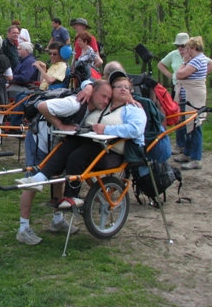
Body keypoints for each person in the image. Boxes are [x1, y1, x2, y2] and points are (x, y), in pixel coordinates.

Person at [15, 73, 146, 245]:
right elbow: (92, 81)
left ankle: (66, 198)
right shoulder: (101, 106)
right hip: (62, 137)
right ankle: (39, 184)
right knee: (70, 146)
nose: (123, 89)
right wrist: (88, 86)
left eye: (127, 88)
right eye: (118, 86)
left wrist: (105, 129)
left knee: (74, 156)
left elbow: (136, 129)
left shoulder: (133, 108)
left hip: (109, 149)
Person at [174, 36, 212, 170]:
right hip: (187, 95)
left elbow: (179, 75)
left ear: (193, 49)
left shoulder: (197, 60)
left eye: (187, 49)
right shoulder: (196, 59)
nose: (185, 51)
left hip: (193, 97)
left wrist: (184, 62)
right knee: (187, 125)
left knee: (194, 125)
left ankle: (196, 159)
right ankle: (187, 153)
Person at [158, 32, 189, 155]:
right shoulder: (174, 55)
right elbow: (160, 65)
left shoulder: (193, 54)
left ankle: (189, 145)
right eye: (178, 46)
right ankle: (180, 144)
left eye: (183, 45)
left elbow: (210, 64)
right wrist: (170, 75)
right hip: (177, 87)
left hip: (190, 88)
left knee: (190, 117)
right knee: (179, 115)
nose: (180, 48)